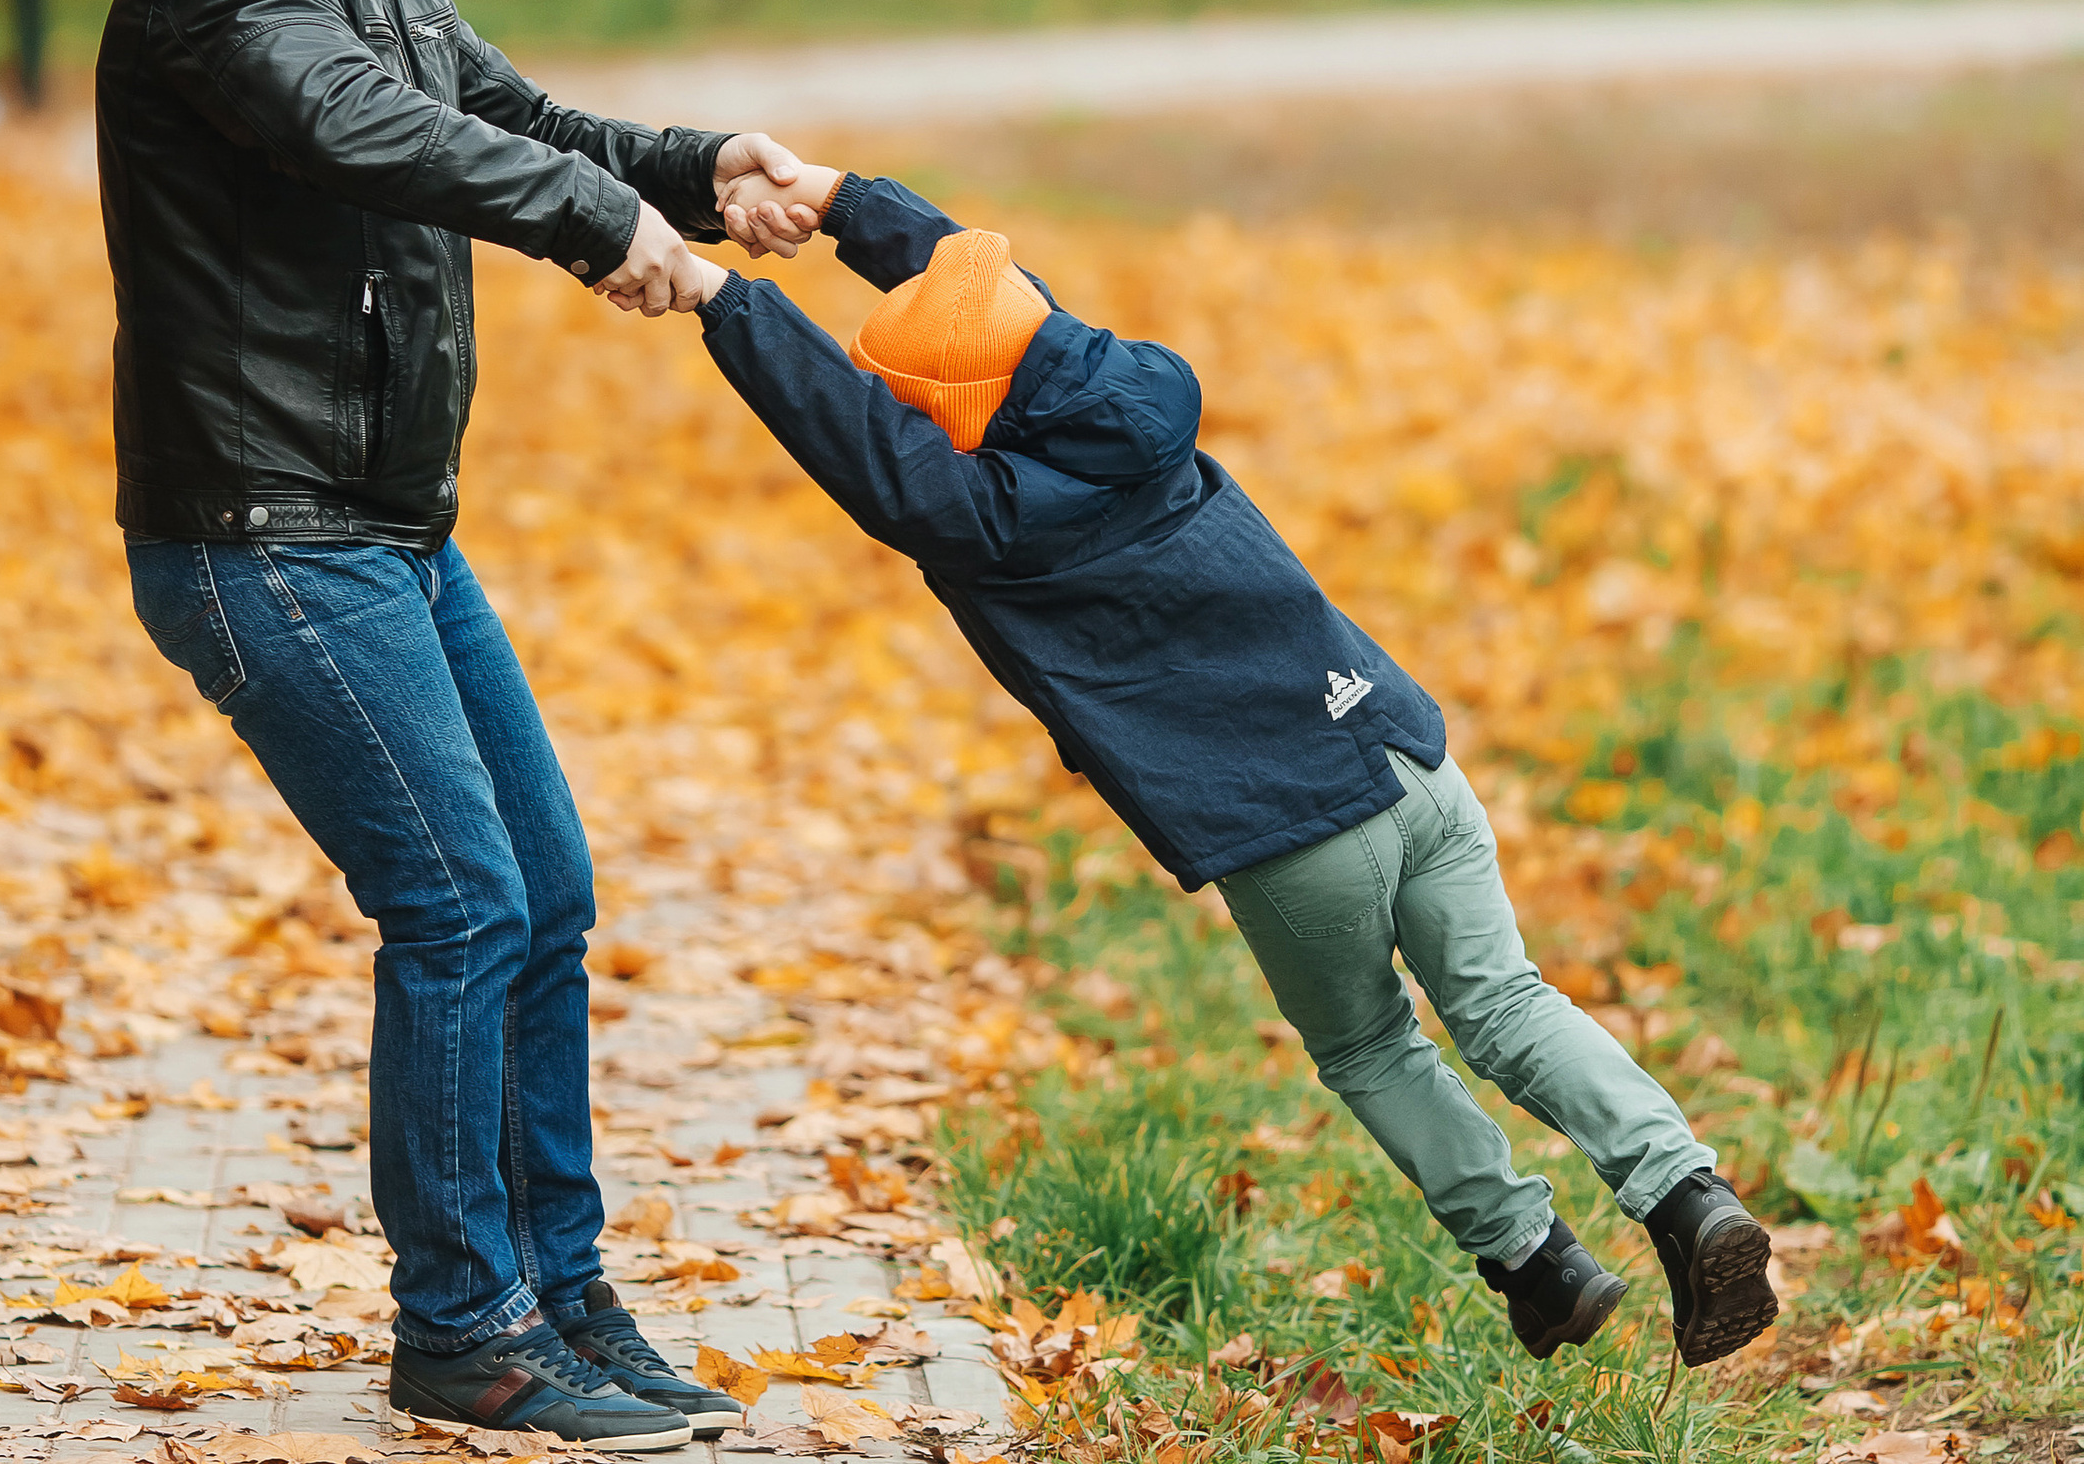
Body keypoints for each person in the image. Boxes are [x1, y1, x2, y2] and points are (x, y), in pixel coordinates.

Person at [686, 161, 1780, 1371]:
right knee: (1507, 1000)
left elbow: (864, 448)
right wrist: (842, 199)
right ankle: (1684, 1197)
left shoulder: (986, 522)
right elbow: (997, 307)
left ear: (947, 417)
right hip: (1402, 747)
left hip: (1290, 820)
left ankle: (1532, 1260)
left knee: (1370, 1048)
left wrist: (716, 299)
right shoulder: (1125, 394)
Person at [97, 0, 815, 1450]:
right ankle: (465, 1334)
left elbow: (507, 113)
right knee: (460, 900)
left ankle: (563, 1300)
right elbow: (359, 131)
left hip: (386, 530)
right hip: (265, 533)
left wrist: (692, 167)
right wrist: (588, 225)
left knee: (543, 895)